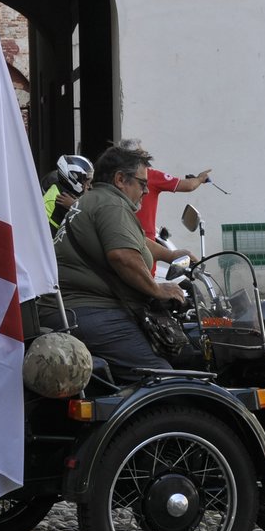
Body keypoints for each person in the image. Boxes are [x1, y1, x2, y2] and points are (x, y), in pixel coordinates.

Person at [44, 141, 186, 376]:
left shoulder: (92, 200)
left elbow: (137, 241)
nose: (146, 191)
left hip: (71, 309)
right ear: (120, 179)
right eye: (142, 183)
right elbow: (123, 256)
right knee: (162, 375)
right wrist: (157, 290)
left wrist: (171, 255)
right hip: (89, 310)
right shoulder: (112, 205)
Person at [114, 138, 212, 236]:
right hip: (145, 239)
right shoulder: (151, 175)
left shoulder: (115, 177)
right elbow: (188, 186)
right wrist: (200, 179)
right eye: (144, 156)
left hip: (119, 236)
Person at [41, 154, 92, 235]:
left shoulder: (63, 188)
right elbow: (88, 221)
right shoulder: (61, 198)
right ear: (73, 177)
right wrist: (74, 205)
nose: (89, 186)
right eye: (85, 181)